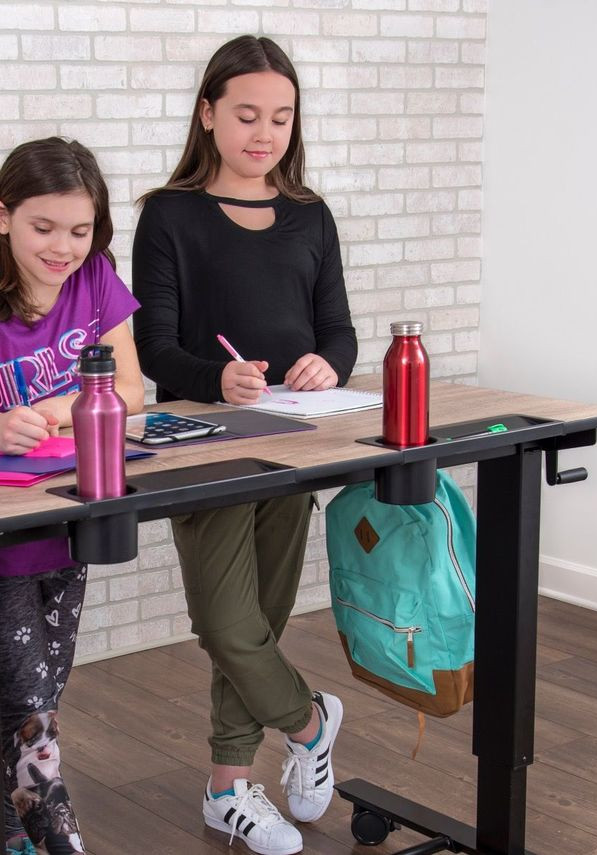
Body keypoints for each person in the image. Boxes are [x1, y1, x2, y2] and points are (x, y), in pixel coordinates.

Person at [131, 35, 358, 855]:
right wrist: (212, 379)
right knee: (226, 622)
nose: (265, 133)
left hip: (295, 441)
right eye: (247, 115)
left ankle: (227, 788)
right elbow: (154, 345)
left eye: (282, 118)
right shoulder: (170, 215)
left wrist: (326, 363)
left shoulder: (310, 216)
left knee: (259, 615)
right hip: (203, 443)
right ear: (208, 114)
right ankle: (307, 720)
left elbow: (339, 329)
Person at [0, 137, 144, 855]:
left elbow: (132, 391)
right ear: (3, 216)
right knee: (31, 705)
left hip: (66, 523)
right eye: (44, 228)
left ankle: (5, 823)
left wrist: (70, 401)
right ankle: (58, 833)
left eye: (80, 230)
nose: (64, 247)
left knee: (36, 694)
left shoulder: (97, 281)